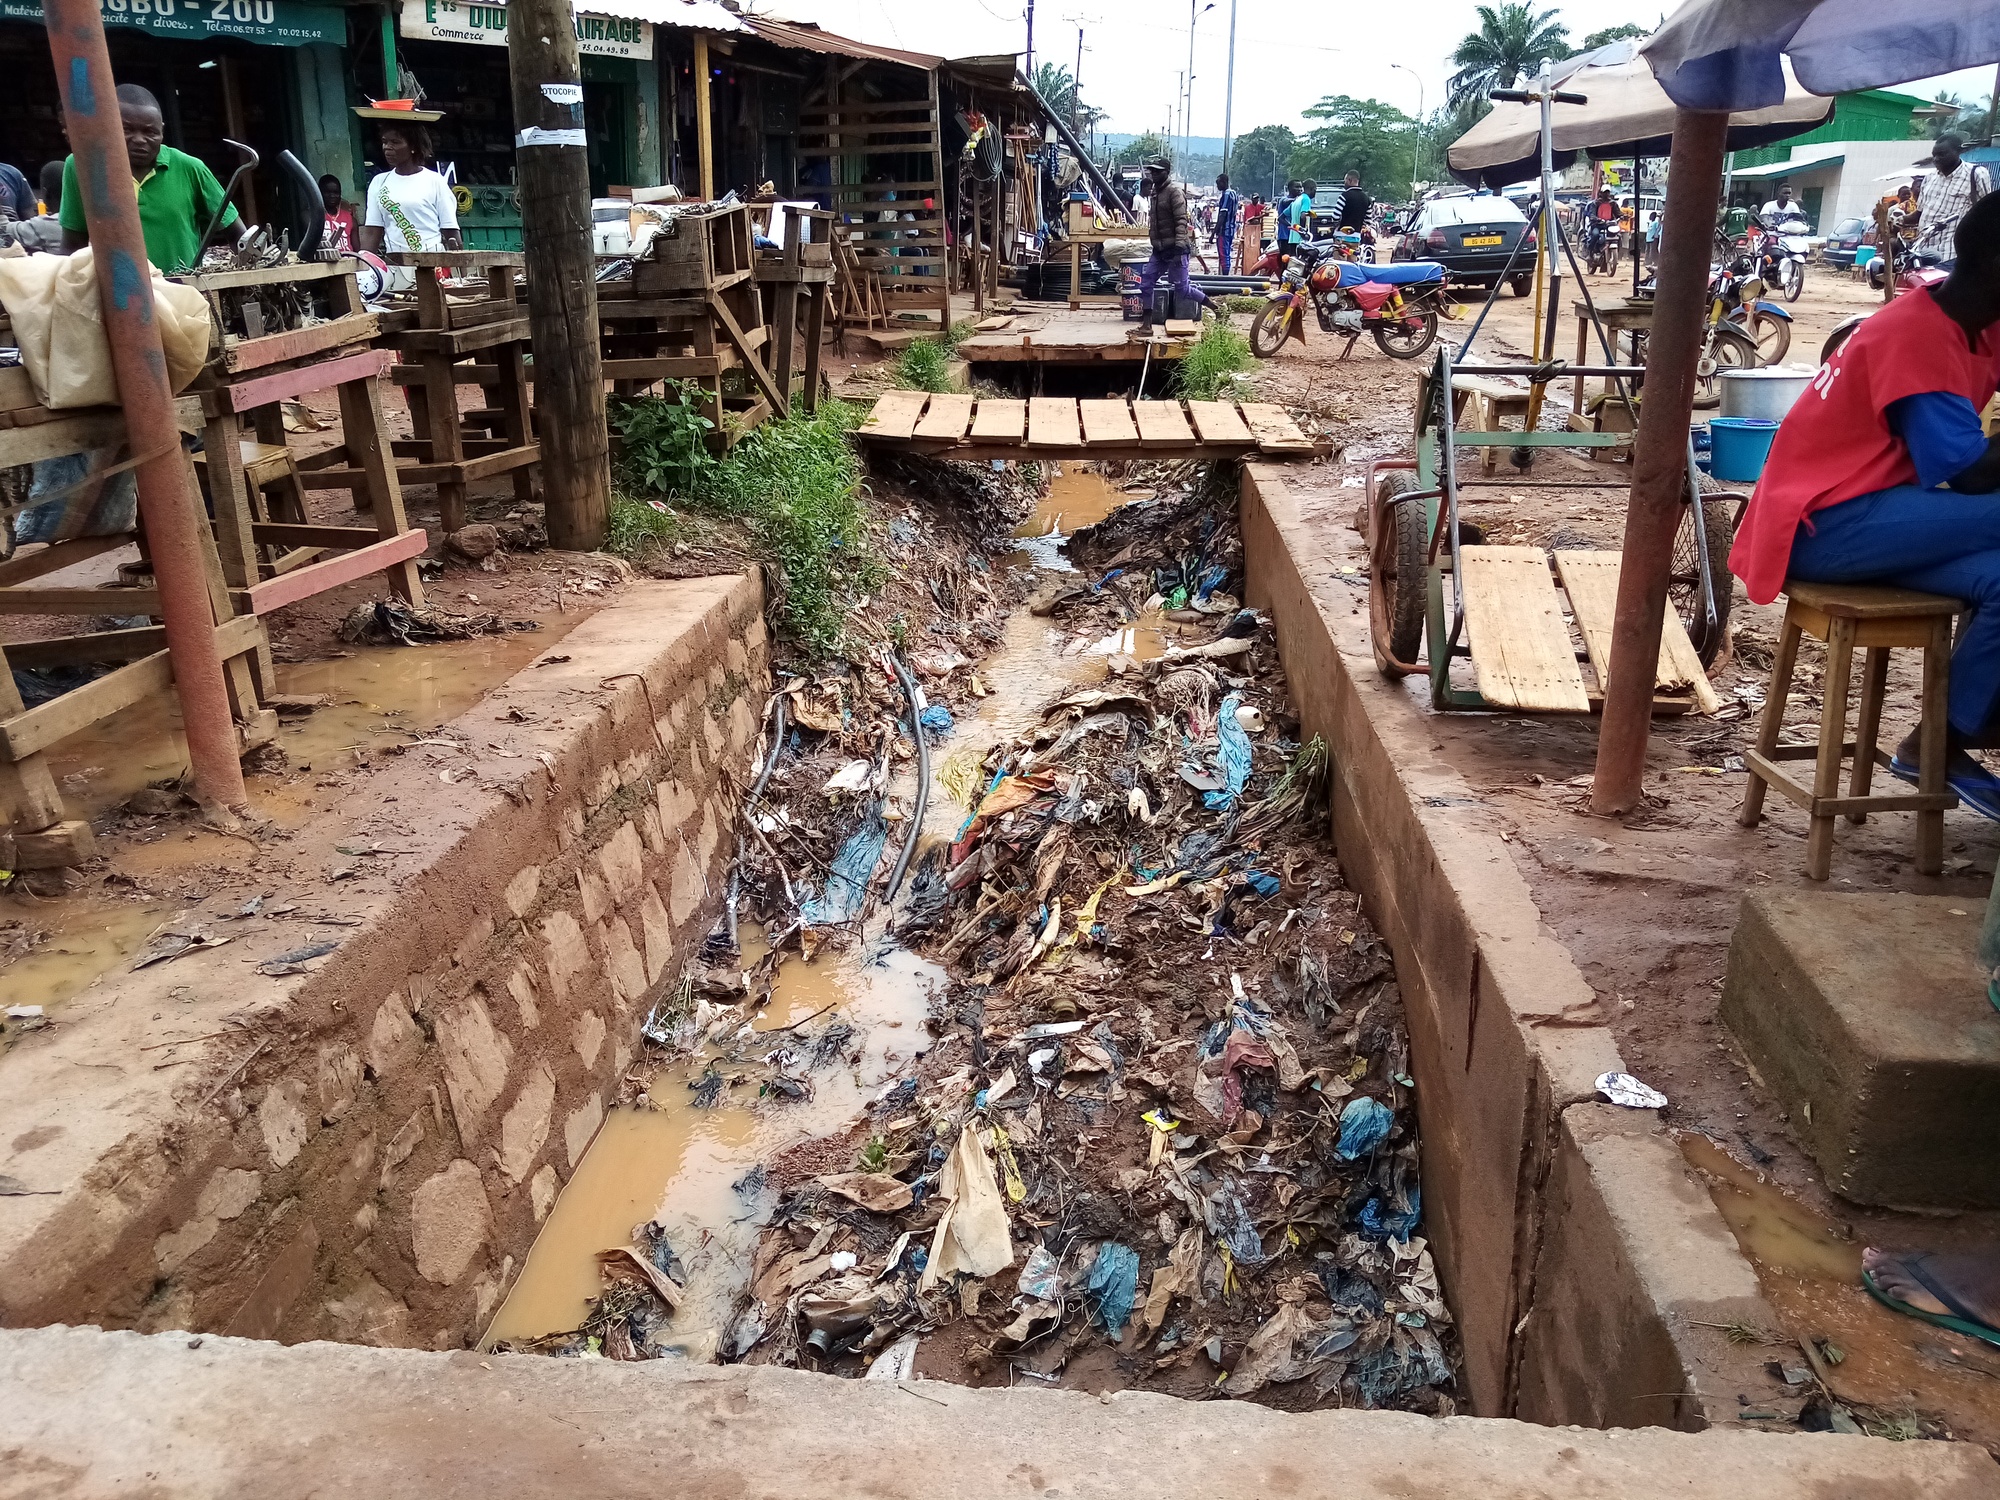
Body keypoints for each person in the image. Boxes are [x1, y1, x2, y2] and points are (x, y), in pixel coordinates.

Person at [1728, 191, 2000, 814]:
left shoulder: (1976, 319)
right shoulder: (1918, 335)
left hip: (1884, 513)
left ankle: (1940, 740)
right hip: (1826, 523)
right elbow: (1975, 475)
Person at [57, 84, 236, 274]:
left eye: (150, 132)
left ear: (162, 131)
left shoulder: (190, 168)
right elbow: (72, 245)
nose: (140, 140)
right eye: (127, 130)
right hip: (114, 299)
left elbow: (238, 235)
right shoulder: (82, 165)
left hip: (182, 295)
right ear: (106, 126)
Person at [360, 124, 461, 255]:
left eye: (395, 142)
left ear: (413, 146)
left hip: (432, 263)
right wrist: (363, 264)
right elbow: (372, 231)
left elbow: (450, 231)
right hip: (396, 265)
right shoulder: (379, 182)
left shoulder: (435, 181)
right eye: (385, 142)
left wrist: (462, 272)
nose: (387, 147)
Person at [1136, 156, 1210, 329]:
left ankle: (1215, 307)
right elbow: (1154, 222)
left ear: (1166, 173)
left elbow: (1181, 222)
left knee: (1182, 290)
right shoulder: (1155, 192)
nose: (1152, 174)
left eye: (1157, 171)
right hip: (1160, 250)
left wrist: (1177, 249)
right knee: (1146, 284)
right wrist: (1154, 243)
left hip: (1176, 249)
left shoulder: (1174, 192)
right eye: (1151, 171)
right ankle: (1146, 325)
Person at [1913, 133, 1993, 265]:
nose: (1936, 159)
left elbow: (1986, 213)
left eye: (1942, 154)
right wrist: (1895, 219)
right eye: (1934, 155)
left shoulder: (1976, 174)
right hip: (1923, 253)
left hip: (1951, 253)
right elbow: (1919, 214)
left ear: (1958, 151)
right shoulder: (1929, 178)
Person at [0, 161, 62, 253]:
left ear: (46, 193)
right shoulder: (86, 219)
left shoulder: (11, 173)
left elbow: (6, 228)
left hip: (12, 250)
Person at [319, 174, 358, 255]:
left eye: (336, 192)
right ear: (319, 193)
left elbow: (357, 250)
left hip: (347, 261)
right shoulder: (312, 217)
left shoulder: (351, 219)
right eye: (327, 192)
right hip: (323, 262)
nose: (332, 196)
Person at [1213, 172, 1240, 275]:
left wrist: (1214, 233)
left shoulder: (1226, 194)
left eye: (1218, 183)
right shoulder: (1234, 193)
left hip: (1224, 230)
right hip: (1231, 229)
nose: (1217, 186)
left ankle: (1225, 278)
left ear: (1224, 182)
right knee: (1227, 254)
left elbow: (1222, 215)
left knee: (1224, 256)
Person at [1274, 179, 1300, 254]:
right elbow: (1286, 201)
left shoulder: (1298, 203)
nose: (1299, 189)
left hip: (1295, 237)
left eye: (1300, 187)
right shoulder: (1284, 200)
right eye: (1297, 187)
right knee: (1286, 260)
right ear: (1290, 188)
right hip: (1285, 237)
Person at [1289, 178, 1317, 244]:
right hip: (1300, 239)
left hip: (1293, 238)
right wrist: (1304, 234)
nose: (1315, 192)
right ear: (1310, 188)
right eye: (1315, 189)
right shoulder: (1306, 199)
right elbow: (1303, 216)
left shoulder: (1297, 199)